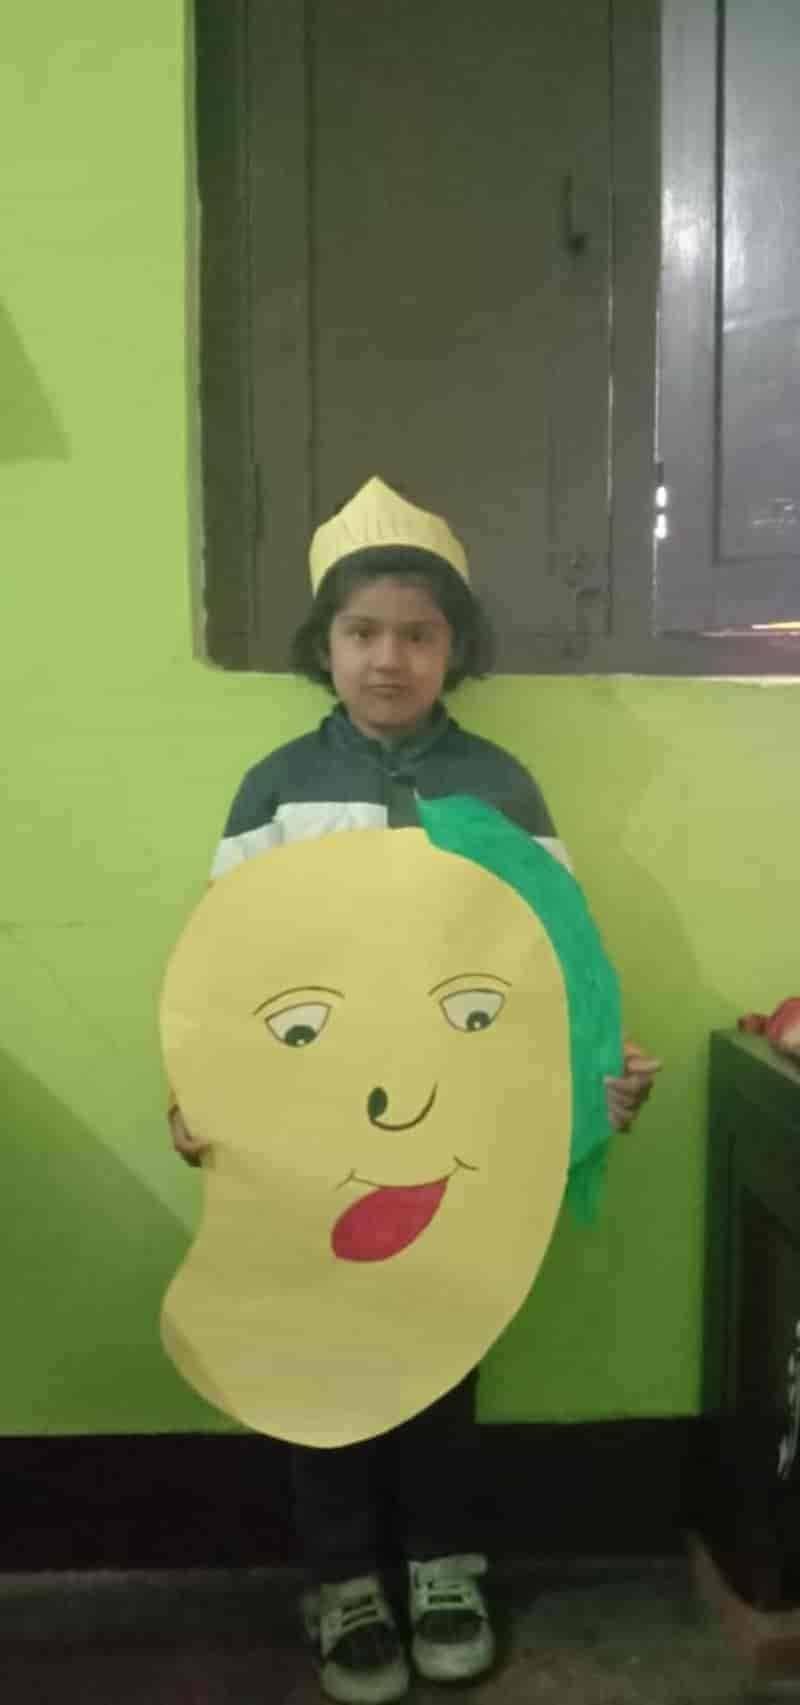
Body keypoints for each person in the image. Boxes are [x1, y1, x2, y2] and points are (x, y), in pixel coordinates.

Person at [169, 477, 660, 1704]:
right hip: (307, 1146)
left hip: (452, 1144)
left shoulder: (500, 788)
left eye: (417, 633)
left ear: (452, 648)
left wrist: (592, 1081)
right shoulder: (275, 790)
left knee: (442, 1347)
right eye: (361, 632)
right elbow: (226, 970)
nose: (387, 658)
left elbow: (550, 967)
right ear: (324, 645)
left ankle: (444, 1564)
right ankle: (343, 1578)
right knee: (315, 1357)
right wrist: (203, 1098)